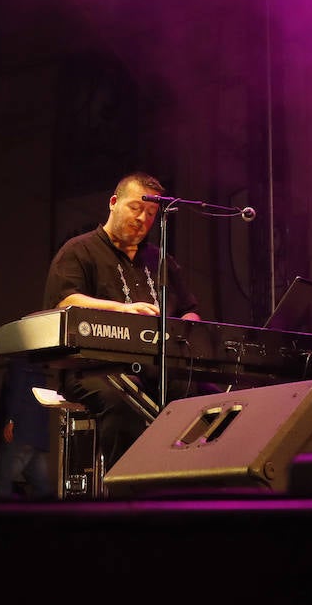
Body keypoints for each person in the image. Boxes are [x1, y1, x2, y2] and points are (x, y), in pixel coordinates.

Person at [43, 171, 203, 473]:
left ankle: (190, 483)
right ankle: (127, 490)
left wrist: (185, 328)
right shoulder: (79, 250)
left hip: (157, 366)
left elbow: (190, 309)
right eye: (135, 208)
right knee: (121, 404)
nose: (143, 218)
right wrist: (122, 310)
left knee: (206, 396)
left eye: (151, 213)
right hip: (94, 368)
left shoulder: (161, 259)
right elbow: (65, 300)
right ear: (113, 202)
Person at [0, 363, 54, 500]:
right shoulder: (38, 370)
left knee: (2, 482)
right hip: (35, 435)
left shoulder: (18, 365)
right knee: (41, 486)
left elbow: (15, 393)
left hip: (19, 434)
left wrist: (10, 420)